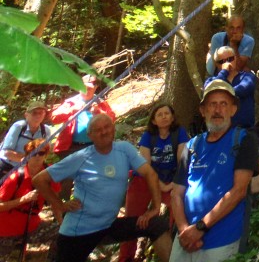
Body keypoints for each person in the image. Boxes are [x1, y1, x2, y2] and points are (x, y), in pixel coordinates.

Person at [31, 114, 172, 262]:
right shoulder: (81, 157)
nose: (104, 132)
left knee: (157, 224)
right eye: (98, 130)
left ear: (113, 128)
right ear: (90, 135)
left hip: (108, 225)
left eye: (107, 127)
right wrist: (59, 205)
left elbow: (150, 174)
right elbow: (39, 180)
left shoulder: (124, 150)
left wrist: (155, 207)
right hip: (79, 231)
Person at [170, 80, 257, 262]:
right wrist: (184, 230)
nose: (218, 110)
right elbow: (176, 193)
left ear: (233, 110)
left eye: (223, 104)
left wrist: (200, 228)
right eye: (212, 104)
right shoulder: (192, 145)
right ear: (203, 111)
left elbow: (238, 191)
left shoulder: (244, 141)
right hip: (184, 240)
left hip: (222, 240)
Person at [118, 102, 189, 262]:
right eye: (159, 114)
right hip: (144, 180)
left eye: (167, 113)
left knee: (177, 209)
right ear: (154, 121)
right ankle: (126, 257)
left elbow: (182, 161)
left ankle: (173, 252)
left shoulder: (180, 133)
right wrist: (160, 185)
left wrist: (171, 185)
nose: (164, 117)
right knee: (133, 218)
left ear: (172, 117)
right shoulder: (148, 136)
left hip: (171, 179)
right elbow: (145, 166)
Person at [0, 138, 57, 239]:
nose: (37, 157)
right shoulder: (16, 177)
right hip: (7, 228)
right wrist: (24, 199)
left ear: (46, 155)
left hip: (32, 225)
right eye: (33, 153)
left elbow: (55, 199)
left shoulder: (50, 174)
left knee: (62, 231)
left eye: (41, 153)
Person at [49, 74, 116, 155]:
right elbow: (54, 118)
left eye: (89, 88)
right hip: (72, 147)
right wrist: (72, 110)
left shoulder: (101, 103)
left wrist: (99, 112)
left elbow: (112, 120)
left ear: (96, 87)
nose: (86, 90)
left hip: (96, 145)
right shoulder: (71, 103)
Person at [205, 47, 257, 130]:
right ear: (217, 64)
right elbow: (211, 91)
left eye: (230, 59)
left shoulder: (247, 76)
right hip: (219, 132)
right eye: (222, 61)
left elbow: (242, 90)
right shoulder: (211, 81)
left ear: (235, 59)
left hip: (244, 131)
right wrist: (224, 72)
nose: (228, 63)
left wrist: (221, 92)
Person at [0, 100, 48, 174]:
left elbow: (45, 153)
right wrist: (30, 159)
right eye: (34, 113)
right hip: (8, 166)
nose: (38, 116)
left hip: (28, 170)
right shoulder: (19, 127)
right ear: (26, 115)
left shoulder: (46, 131)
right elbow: (6, 153)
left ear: (44, 115)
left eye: (41, 113)